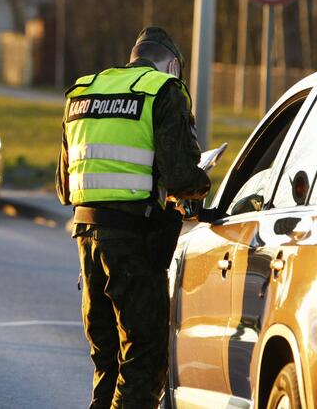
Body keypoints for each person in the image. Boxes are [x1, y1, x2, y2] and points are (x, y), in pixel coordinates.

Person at [56, 26, 211, 408]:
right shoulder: (163, 90)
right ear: (173, 64)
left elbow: (64, 185)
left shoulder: (83, 91)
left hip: (86, 238)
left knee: (106, 361)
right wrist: (200, 184)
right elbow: (182, 177)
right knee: (143, 357)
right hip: (134, 245)